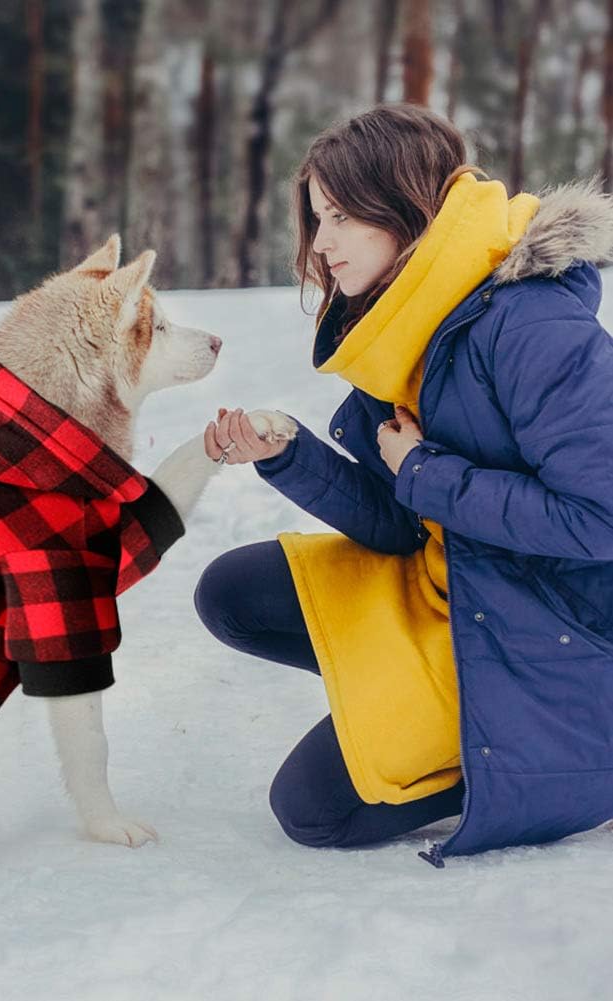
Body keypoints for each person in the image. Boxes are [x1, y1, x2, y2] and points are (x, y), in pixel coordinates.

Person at [194, 103, 613, 868]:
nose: (320, 245)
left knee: (312, 810)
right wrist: (286, 451)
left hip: (554, 635)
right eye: (317, 218)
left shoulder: (533, 328)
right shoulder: (405, 321)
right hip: (460, 589)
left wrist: (426, 472)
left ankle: (544, 755)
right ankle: (408, 699)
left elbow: (601, 520)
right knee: (230, 592)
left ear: (405, 208)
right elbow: (400, 521)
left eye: (341, 217)